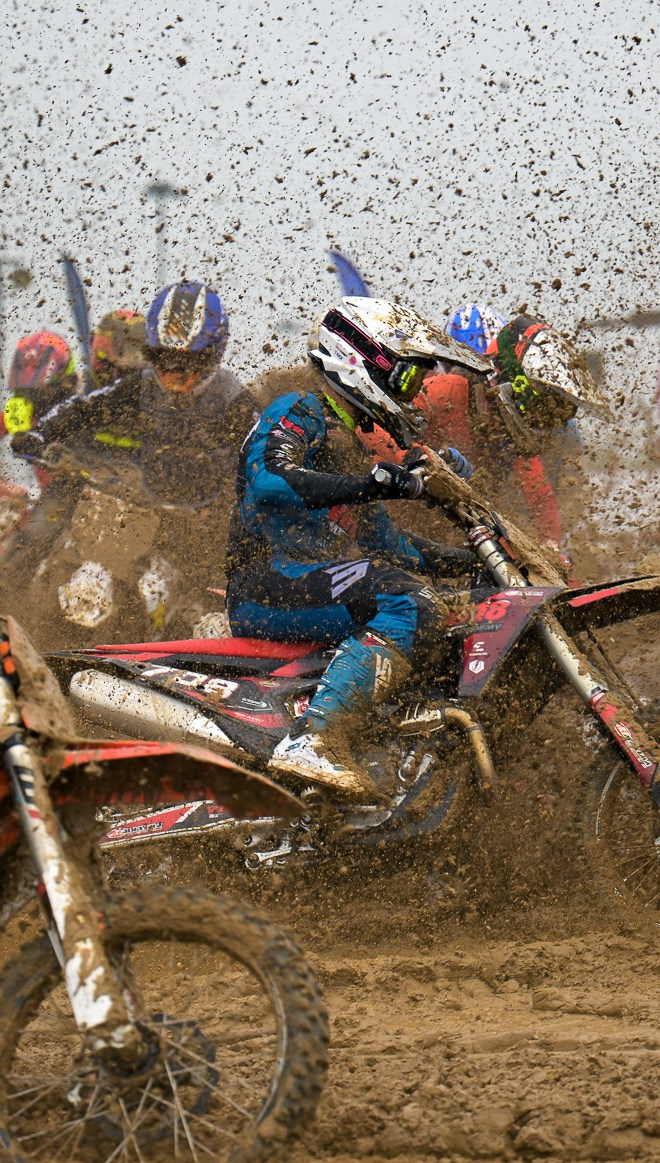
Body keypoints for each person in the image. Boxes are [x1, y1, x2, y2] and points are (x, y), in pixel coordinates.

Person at [226, 296, 489, 797]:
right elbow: (269, 481)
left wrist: (476, 558)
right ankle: (313, 741)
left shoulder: (351, 447)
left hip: (311, 584)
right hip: (265, 583)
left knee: (427, 595)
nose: (414, 395)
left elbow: (396, 550)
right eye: (408, 380)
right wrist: (376, 482)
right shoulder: (300, 409)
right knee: (404, 600)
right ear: (362, 360)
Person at [17, 281, 260, 635]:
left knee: (211, 616)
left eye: (189, 364)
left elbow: (264, 450)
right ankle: (28, 609)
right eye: (165, 361)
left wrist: (248, 488)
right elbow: (86, 406)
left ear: (213, 357)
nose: (176, 376)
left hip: (206, 521)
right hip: (146, 510)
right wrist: (41, 433)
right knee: (61, 543)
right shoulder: (142, 385)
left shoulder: (234, 399)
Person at [363, 308, 604, 568]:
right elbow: (372, 431)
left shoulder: (509, 436)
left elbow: (540, 497)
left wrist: (552, 551)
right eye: (536, 410)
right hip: (384, 533)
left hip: (453, 547)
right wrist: (418, 457)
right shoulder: (446, 392)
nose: (538, 423)